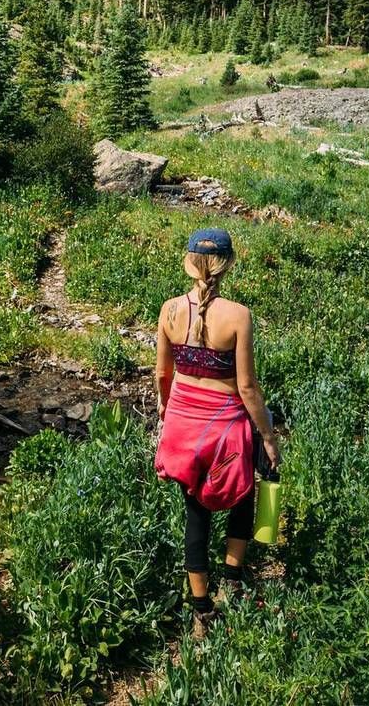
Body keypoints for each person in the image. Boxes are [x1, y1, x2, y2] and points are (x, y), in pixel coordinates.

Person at [154, 227, 280, 618]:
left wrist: (166, 412)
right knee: (242, 496)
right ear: (227, 265)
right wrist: (268, 436)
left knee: (195, 511)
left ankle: (200, 610)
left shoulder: (169, 310)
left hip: (184, 425)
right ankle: (233, 578)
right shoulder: (239, 316)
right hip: (226, 429)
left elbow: (162, 375)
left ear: (189, 262)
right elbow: (246, 386)